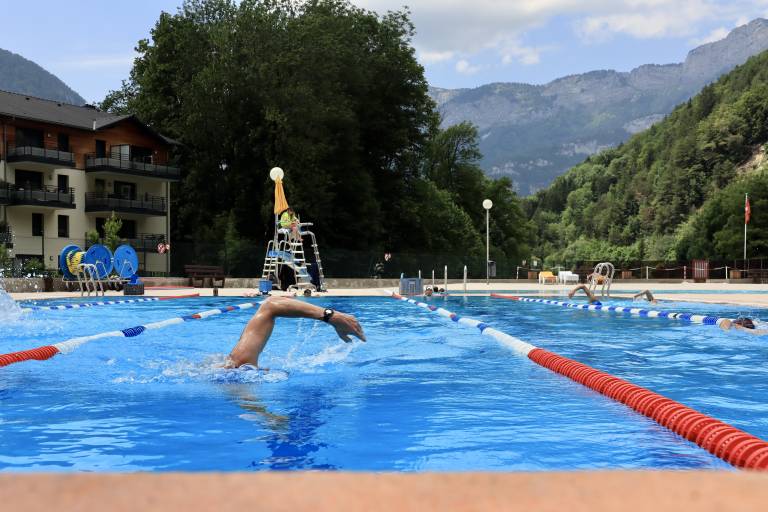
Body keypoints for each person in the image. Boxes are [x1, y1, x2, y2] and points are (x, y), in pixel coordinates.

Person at [226, 296, 366, 368]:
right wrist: (331, 316)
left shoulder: (237, 363)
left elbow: (271, 305)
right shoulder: (239, 363)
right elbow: (270, 305)